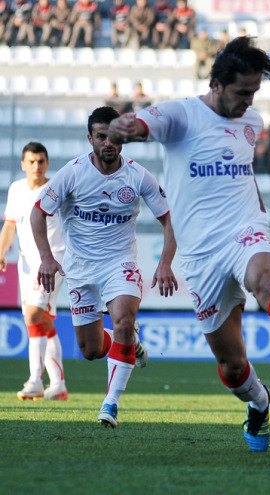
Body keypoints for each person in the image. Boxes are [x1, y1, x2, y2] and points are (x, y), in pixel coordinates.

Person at [107, 36, 270, 453]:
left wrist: (260, 219)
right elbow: (144, 124)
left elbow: (243, 173)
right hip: (199, 255)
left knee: (268, 281)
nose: (249, 101)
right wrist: (127, 127)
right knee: (231, 366)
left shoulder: (252, 123)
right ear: (216, 84)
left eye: (255, 93)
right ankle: (261, 405)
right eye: (242, 92)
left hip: (245, 229)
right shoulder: (182, 114)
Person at [31, 106, 178, 428]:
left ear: (122, 137)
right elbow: (38, 212)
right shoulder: (72, 173)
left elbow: (170, 220)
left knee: (125, 320)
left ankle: (110, 404)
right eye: (100, 136)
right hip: (80, 268)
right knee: (90, 349)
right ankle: (128, 344)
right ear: (91, 138)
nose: (107, 143)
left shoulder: (139, 176)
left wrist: (165, 263)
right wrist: (45, 256)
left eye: (112, 136)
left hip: (119, 263)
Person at [1, 142, 68, 401]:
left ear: (47, 163)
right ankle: (58, 383)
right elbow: (9, 225)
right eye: (31, 161)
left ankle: (35, 381)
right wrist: (1, 251)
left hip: (52, 262)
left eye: (41, 161)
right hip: (26, 264)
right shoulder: (16, 189)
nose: (36, 166)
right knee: (41, 320)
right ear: (23, 164)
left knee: (31, 316)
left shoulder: (55, 190)